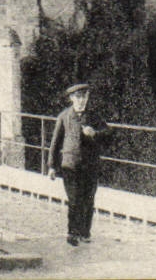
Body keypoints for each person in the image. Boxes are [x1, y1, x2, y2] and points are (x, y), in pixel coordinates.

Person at [46, 82, 110, 246]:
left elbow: (109, 134)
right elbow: (55, 142)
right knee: (74, 199)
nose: (82, 101)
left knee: (88, 199)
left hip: (90, 165)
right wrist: (52, 166)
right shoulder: (64, 116)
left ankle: (85, 232)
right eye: (78, 97)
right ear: (72, 98)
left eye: (84, 97)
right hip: (71, 165)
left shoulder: (95, 117)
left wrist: (95, 133)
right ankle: (72, 233)